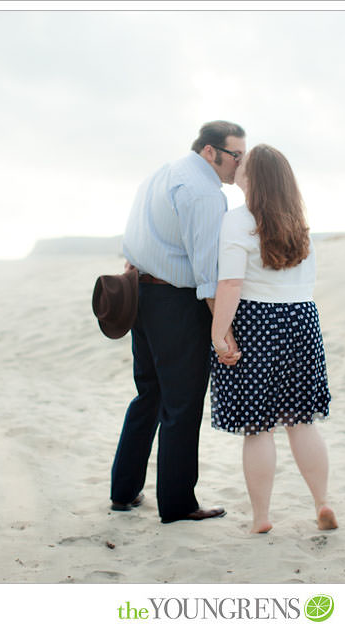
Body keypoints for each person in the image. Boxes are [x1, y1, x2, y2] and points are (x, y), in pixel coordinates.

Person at [111, 121, 245, 523]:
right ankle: (178, 504)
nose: (240, 165)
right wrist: (223, 331)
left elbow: (132, 239)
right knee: (182, 405)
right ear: (210, 152)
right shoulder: (205, 192)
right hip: (176, 302)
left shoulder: (162, 173)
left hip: (142, 297)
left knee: (148, 395)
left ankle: (123, 492)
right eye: (235, 155)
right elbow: (207, 278)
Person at [210, 144, 337, 534]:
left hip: (256, 320)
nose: (238, 167)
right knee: (301, 423)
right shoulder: (298, 222)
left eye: (243, 164)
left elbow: (231, 283)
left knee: (257, 428)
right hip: (301, 320)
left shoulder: (238, 219)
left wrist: (218, 333)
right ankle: (322, 502)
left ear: (254, 178)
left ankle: (262, 518)